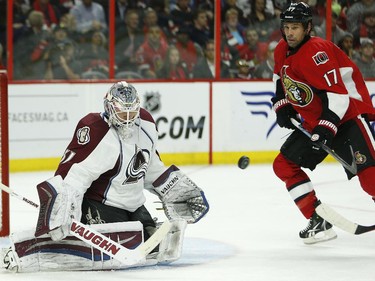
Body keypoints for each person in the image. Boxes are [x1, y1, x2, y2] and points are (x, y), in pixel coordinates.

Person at [2, 81, 209, 272]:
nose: (127, 118)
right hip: (100, 204)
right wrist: (63, 209)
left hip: (134, 204)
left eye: (131, 111)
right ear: (110, 107)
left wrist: (172, 189)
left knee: (150, 239)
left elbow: (149, 165)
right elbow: (76, 174)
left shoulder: (146, 123)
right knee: (132, 240)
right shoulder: (96, 130)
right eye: (121, 111)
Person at [271, 2, 375, 245]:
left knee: (370, 178)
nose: (289, 33)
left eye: (295, 27)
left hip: (347, 118)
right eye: (286, 27)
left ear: (308, 28)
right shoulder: (282, 48)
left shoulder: (317, 52)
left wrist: (325, 129)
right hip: (317, 121)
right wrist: (282, 103)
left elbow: (338, 96)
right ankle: (319, 220)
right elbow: (280, 76)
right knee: (284, 166)